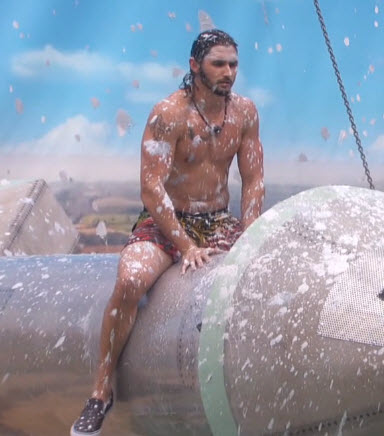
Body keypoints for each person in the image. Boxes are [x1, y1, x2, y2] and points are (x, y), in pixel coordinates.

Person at [71, 29, 264, 436]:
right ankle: (101, 390)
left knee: (260, 281)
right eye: (218, 64)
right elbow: (151, 188)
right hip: (167, 220)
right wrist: (185, 245)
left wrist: (250, 235)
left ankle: (250, 390)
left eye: (233, 64)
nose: (229, 72)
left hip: (218, 221)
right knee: (131, 280)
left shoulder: (245, 112)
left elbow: (253, 179)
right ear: (195, 66)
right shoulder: (169, 113)